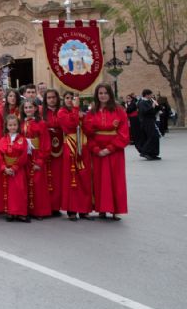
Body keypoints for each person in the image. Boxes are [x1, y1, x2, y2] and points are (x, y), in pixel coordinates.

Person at [84, 83, 129, 221]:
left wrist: (110, 148)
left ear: (110, 94)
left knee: (116, 180)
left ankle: (116, 210)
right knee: (98, 180)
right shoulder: (92, 112)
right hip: (97, 152)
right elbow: (88, 133)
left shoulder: (119, 111)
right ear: (97, 96)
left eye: (105, 93)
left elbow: (123, 133)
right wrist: (96, 149)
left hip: (114, 152)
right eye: (100, 93)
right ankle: (101, 209)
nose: (103, 96)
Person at [58, 92, 93, 221]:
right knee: (71, 178)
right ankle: (72, 209)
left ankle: (84, 209)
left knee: (84, 177)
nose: (70, 100)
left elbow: (89, 128)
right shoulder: (61, 112)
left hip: (83, 145)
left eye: (72, 98)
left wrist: (83, 118)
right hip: (71, 145)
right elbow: (71, 125)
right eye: (67, 98)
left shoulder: (81, 112)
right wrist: (76, 109)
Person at [20, 99, 51, 219]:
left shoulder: (41, 123)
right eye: (26, 108)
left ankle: (39, 211)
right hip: (25, 156)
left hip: (36, 154)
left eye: (30, 107)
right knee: (26, 182)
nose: (28, 110)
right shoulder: (21, 123)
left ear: (35, 109)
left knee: (38, 183)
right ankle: (27, 210)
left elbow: (45, 143)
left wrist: (40, 160)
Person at [0, 114, 30, 222]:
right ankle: (10, 212)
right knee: (8, 192)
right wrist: (4, 167)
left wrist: (15, 168)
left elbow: (24, 156)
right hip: (6, 169)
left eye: (15, 125)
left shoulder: (22, 140)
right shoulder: (2, 140)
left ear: (18, 126)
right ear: (6, 126)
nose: (12, 127)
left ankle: (21, 213)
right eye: (10, 125)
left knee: (20, 191)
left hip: (18, 169)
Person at [42, 89, 64, 216]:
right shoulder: (41, 112)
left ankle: (56, 206)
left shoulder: (62, 111)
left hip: (60, 147)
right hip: (45, 147)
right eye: (49, 97)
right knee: (46, 177)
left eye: (53, 97)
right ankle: (46, 205)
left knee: (57, 177)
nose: (51, 99)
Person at [137, 89, 161, 160]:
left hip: (151, 120)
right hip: (146, 122)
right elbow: (145, 112)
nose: (151, 96)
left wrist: (158, 106)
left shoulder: (150, 101)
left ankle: (153, 154)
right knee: (152, 136)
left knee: (156, 137)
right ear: (146, 95)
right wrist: (152, 106)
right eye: (150, 94)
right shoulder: (142, 102)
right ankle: (144, 152)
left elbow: (153, 111)